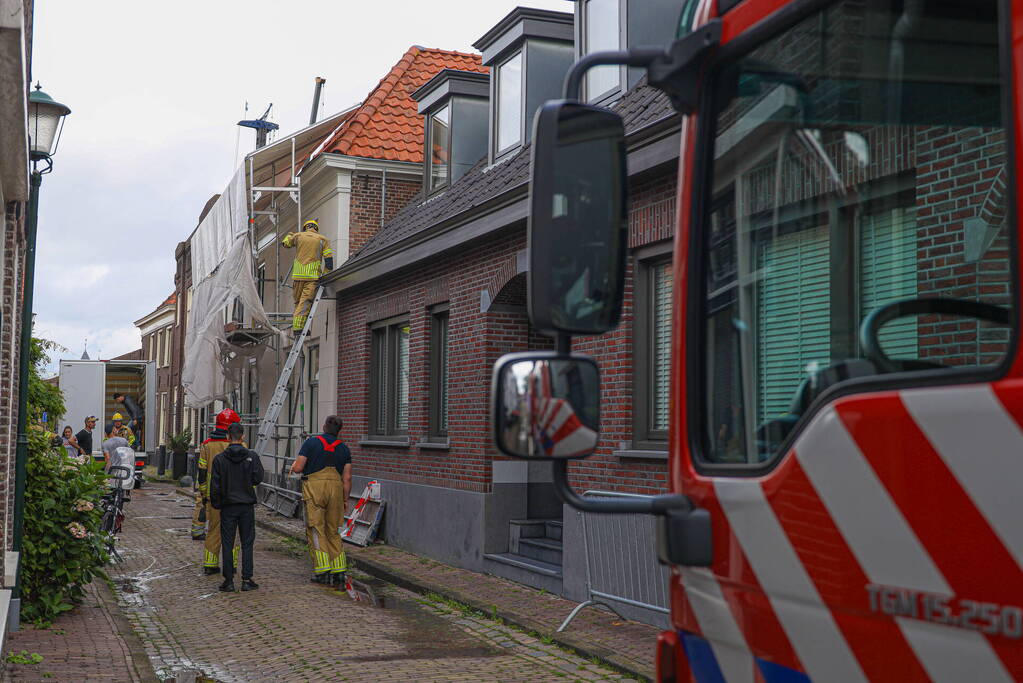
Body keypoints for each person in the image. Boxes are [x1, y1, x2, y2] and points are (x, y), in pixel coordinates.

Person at [290, 415, 351, 585]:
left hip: (315, 489)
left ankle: (323, 570)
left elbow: (299, 467)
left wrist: (294, 467)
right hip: (336, 490)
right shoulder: (345, 449)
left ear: (324, 427)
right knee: (333, 530)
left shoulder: (311, 443)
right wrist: (345, 500)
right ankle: (339, 571)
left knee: (316, 529)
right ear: (339, 431)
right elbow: (347, 479)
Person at [210, 422, 263, 593]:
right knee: (247, 542)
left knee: (227, 542)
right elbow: (257, 478)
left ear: (227, 437)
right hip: (246, 505)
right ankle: (247, 579)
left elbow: (215, 485)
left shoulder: (219, 459)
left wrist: (217, 503)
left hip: (228, 506)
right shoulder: (252, 456)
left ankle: (229, 581)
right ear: (243, 437)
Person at [198, 409, 241, 574]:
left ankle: (210, 564)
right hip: (234, 496)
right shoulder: (240, 445)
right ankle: (232, 564)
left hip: (213, 495)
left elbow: (201, 472)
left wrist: (203, 494)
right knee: (233, 531)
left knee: (213, 530)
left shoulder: (207, 445)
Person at [282, 219, 333, 336]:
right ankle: (298, 329)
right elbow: (329, 261)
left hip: (297, 277)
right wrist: (325, 275)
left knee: (298, 303)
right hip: (312, 277)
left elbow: (285, 244)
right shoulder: (322, 239)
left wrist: (289, 235)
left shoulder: (298, 236)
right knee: (305, 303)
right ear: (316, 228)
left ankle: (298, 326)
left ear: (305, 228)